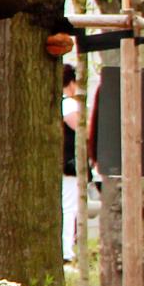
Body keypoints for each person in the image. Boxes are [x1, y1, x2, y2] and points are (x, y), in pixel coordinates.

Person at [61, 63, 82, 262]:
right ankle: (66, 250)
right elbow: (82, 129)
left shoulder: (59, 102)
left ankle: (66, 247)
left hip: (63, 163)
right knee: (69, 206)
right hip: (69, 164)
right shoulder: (69, 105)